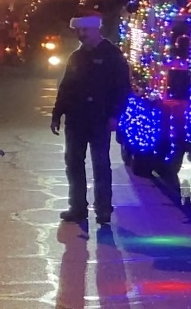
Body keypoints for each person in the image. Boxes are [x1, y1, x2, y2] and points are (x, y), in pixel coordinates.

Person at [52, 13, 132, 232]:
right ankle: (77, 207)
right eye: (79, 31)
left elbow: (123, 88)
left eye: (85, 31)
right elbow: (66, 87)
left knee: (100, 165)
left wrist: (115, 115)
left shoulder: (112, 55)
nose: (81, 35)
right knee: (74, 164)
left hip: (100, 120)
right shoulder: (76, 57)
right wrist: (57, 114)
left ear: (97, 30)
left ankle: (103, 209)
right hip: (76, 120)